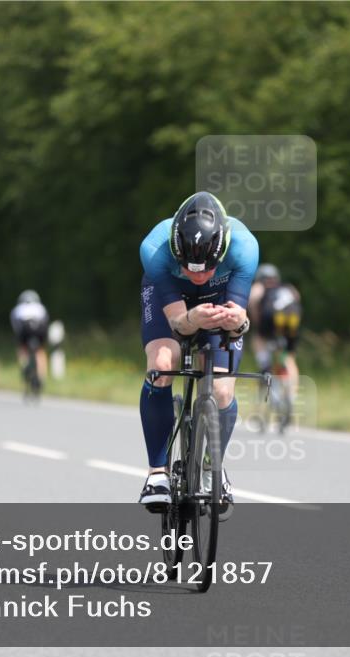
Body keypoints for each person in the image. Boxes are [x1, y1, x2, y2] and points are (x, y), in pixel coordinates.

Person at [138, 192, 258, 512]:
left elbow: (238, 323)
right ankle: (157, 474)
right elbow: (178, 323)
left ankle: (210, 468)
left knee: (221, 389)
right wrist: (192, 319)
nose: (198, 275)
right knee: (163, 362)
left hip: (219, 300)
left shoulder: (245, 247)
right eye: (188, 267)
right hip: (174, 303)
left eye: (207, 268)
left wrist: (238, 322)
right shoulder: (154, 249)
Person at [248, 264, 301, 402]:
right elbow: (297, 299)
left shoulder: (259, 287)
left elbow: (253, 301)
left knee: (258, 337)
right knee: (289, 358)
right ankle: (291, 397)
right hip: (292, 319)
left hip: (270, 318)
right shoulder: (287, 287)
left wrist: (257, 325)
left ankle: (264, 364)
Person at [10, 290, 49, 387]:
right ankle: (41, 377)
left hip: (25, 329)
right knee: (40, 351)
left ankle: (24, 365)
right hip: (39, 329)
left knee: (22, 348)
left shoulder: (17, 309)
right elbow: (46, 322)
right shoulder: (41, 307)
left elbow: (15, 326)